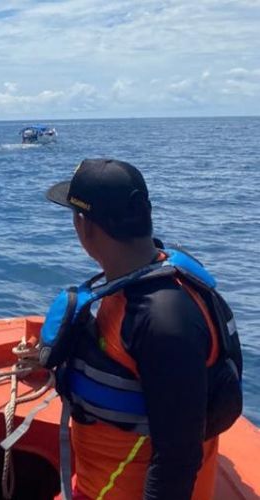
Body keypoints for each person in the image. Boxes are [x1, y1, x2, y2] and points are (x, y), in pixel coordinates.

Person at [40, 158, 243, 500]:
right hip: (95, 484)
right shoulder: (134, 279)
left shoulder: (161, 321)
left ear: (84, 226)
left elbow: (177, 460)